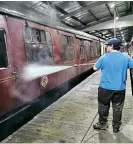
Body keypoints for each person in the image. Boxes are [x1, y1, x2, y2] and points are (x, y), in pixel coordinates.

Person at [93, 38, 133, 133]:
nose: (106, 47)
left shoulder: (104, 57)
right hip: (120, 88)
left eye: (107, 46)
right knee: (118, 108)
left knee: (103, 107)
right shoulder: (126, 57)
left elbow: (94, 68)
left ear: (111, 46)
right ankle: (116, 127)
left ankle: (102, 124)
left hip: (105, 88)